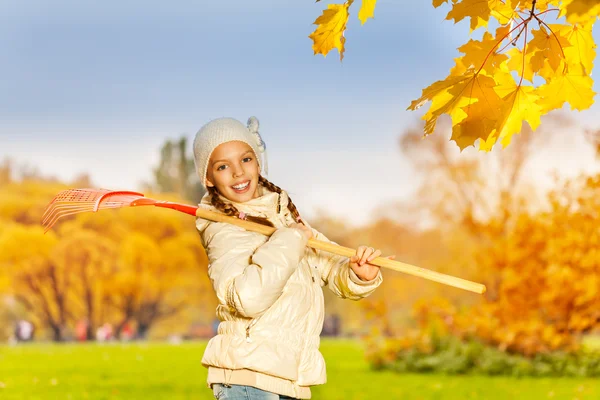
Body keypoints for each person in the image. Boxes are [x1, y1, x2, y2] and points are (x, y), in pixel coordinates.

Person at [193, 116, 392, 400]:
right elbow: (247, 298)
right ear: (208, 178)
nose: (238, 172)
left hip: (287, 379)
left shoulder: (284, 217)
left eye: (246, 159)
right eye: (223, 166)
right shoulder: (224, 230)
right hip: (250, 380)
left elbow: (328, 264)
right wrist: (290, 239)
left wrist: (358, 273)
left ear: (258, 163)